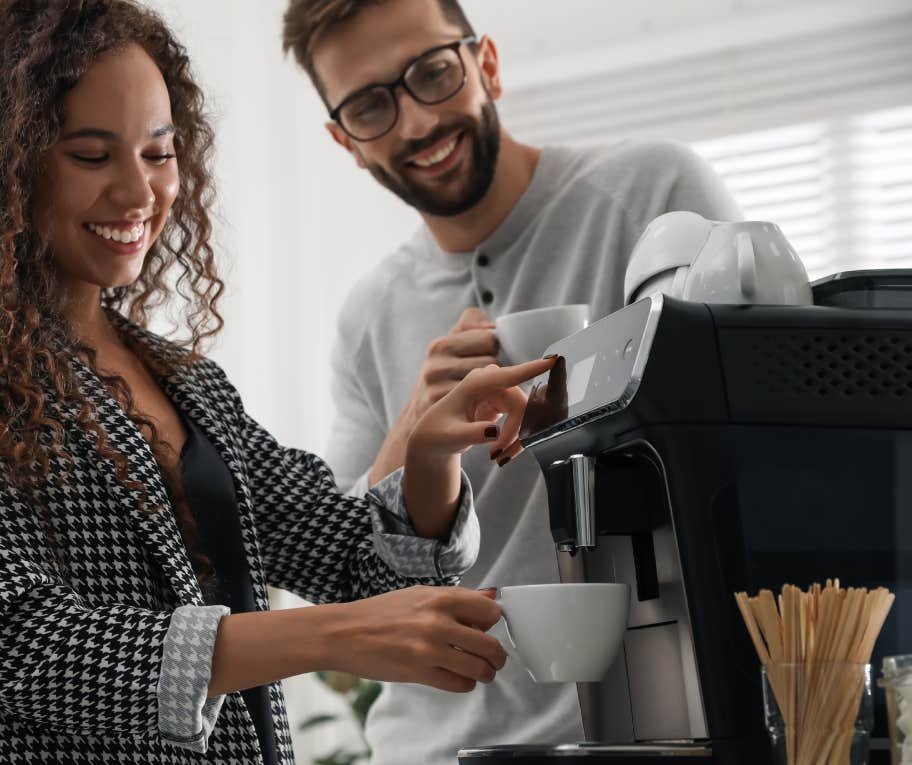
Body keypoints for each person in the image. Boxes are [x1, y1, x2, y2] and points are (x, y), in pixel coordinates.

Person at [0, 0, 556, 761]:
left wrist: (434, 455)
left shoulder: (184, 382)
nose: (139, 192)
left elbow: (355, 564)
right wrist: (331, 636)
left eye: (159, 151)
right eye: (91, 155)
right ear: (1, 165)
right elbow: (21, 641)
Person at [280, 0, 745, 760]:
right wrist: (414, 425)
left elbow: (751, 433)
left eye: (432, 72)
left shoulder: (652, 193)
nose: (416, 123)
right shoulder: (369, 314)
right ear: (346, 142)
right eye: (370, 105)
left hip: (644, 733)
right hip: (425, 745)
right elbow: (346, 576)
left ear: (484, 64)